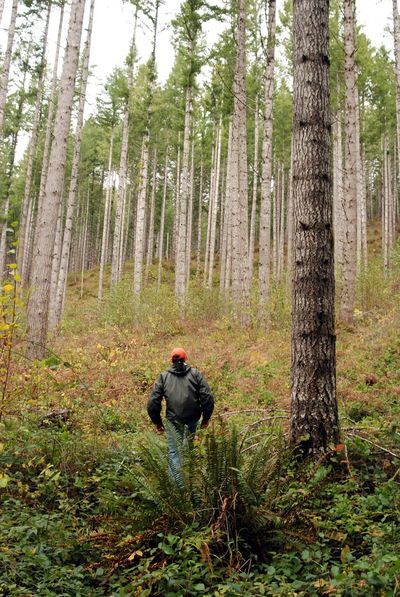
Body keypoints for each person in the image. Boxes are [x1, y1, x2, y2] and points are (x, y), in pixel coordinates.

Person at [147, 347, 214, 483]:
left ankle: (178, 489)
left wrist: (158, 422)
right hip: (193, 418)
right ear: (186, 359)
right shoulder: (195, 374)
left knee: (174, 453)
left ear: (171, 360)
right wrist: (205, 418)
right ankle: (191, 481)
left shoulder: (164, 376)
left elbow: (153, 402)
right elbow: (207, 397)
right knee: (189, 448)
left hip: (173, 420)